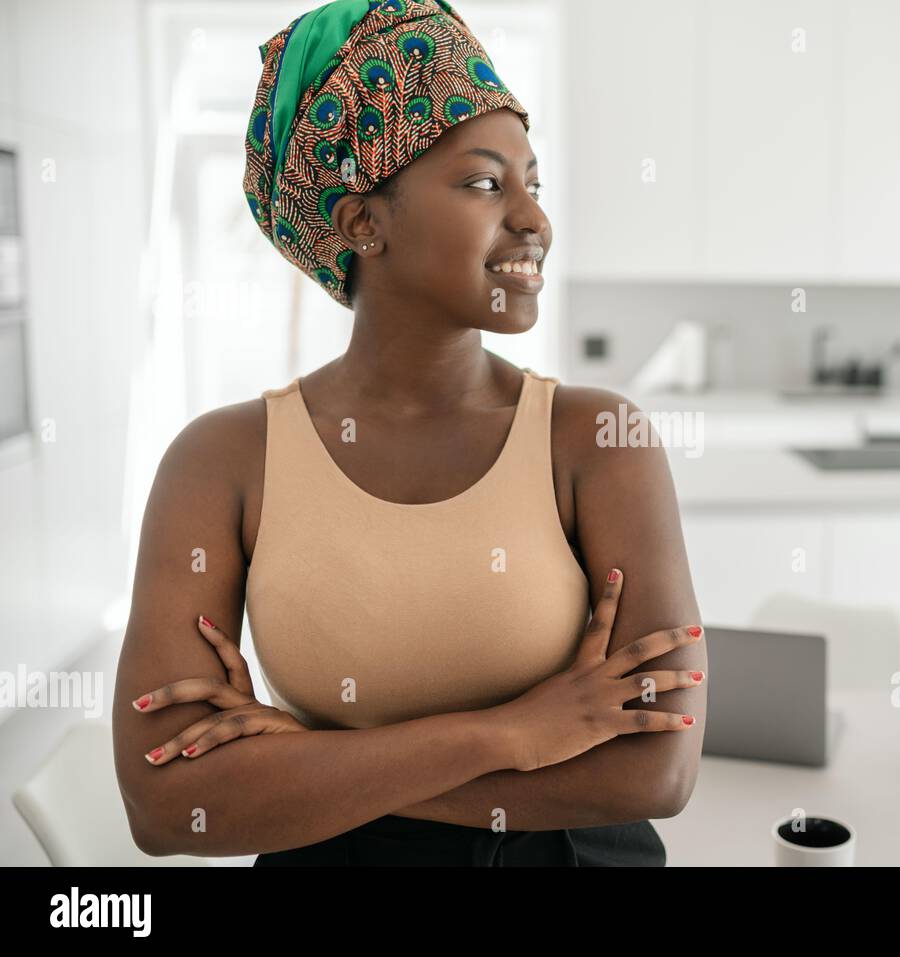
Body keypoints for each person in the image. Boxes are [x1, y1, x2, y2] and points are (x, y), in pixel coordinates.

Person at [111, 0, 707, 867]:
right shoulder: (220, 463)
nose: (534, 220)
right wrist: (513, 732)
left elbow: (657, 769)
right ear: (363, 223)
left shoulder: (597, 438)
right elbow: (169, 808)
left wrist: (302, 764)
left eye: (532, 183)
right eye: (482, 182)